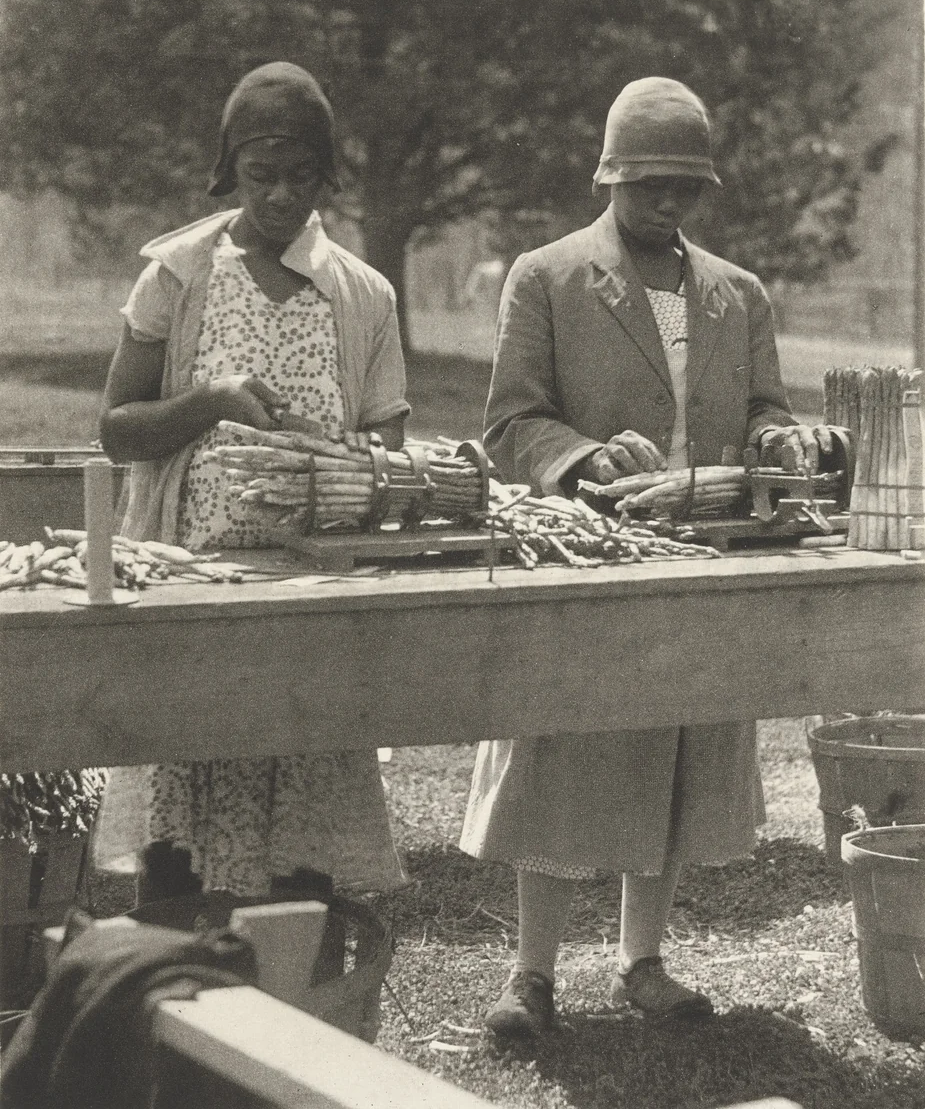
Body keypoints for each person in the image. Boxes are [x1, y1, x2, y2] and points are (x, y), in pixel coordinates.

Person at [459, 76, 832, 1038]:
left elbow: (763, 409)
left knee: (674, 752)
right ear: (610, 178)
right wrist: (582, 456)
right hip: (589, 554)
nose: (669, 202)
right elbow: (508, 423)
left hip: (704, 549)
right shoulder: (544, 277)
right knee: (564, 750)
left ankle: (643, 961)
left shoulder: (734, 294)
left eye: (686, 187)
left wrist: (773, 442)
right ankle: (531, 974)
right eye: (650, 183)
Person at [92, 62, 409, 903]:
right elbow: (117, 428)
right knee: (183, 825)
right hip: (190, 589)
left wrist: (336, 454)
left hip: (309, 589)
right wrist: (209, 403)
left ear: (326, 176)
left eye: (299, 176)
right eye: (259, 175)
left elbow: (388, 444)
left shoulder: (361, 295)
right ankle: (178, 996)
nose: (278, 196)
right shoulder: (177, 274)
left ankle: (290, 998)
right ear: (229, 170)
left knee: (300, 836)